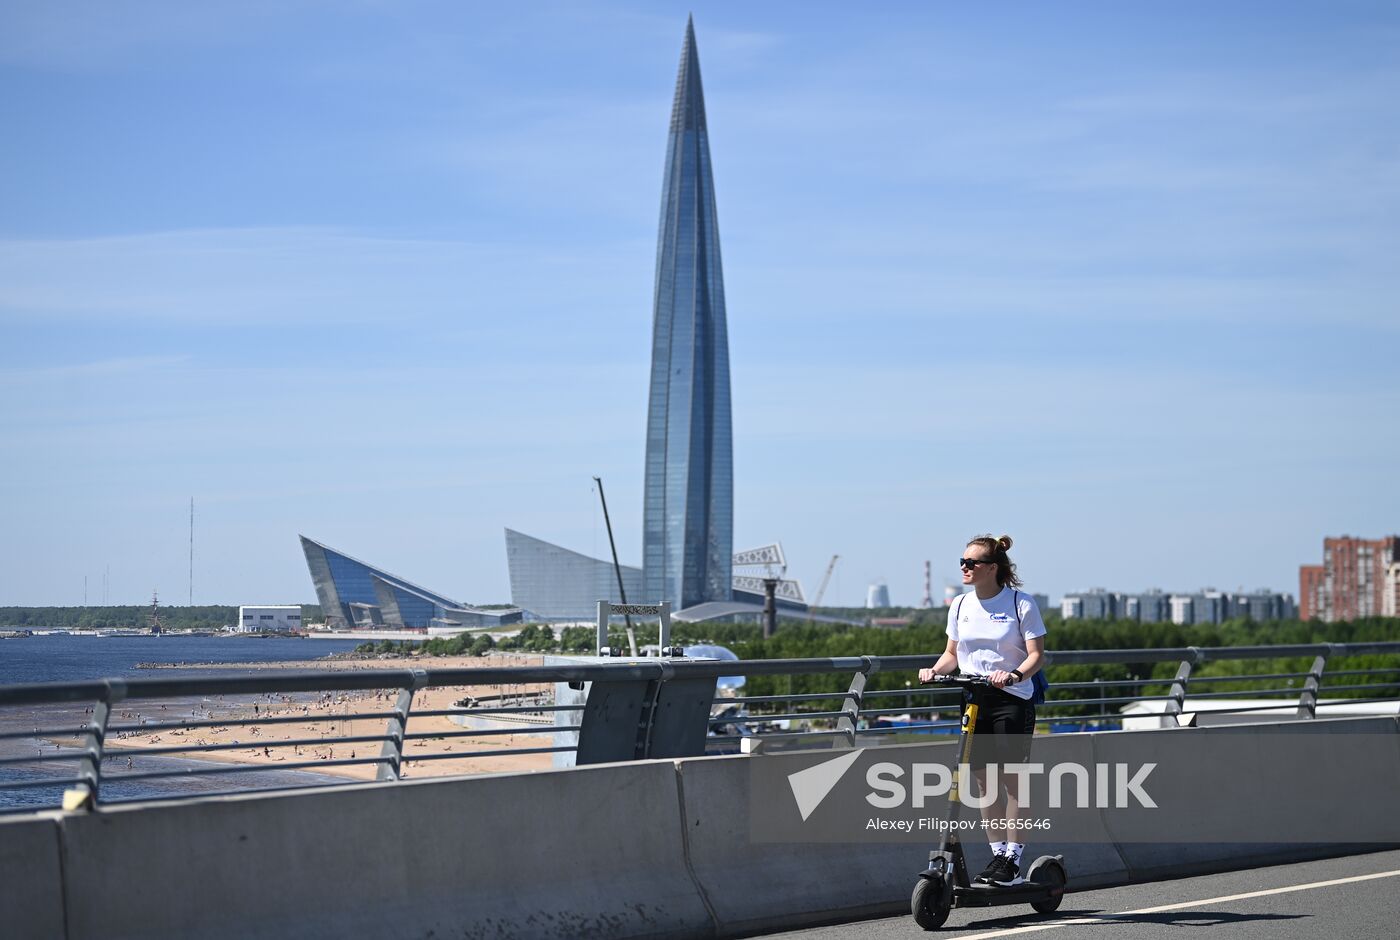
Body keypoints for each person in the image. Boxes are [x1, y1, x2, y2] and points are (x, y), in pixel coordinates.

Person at [918, 534, 1046, 886]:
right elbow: (951, 654)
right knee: (983, 781)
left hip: (1012, 698)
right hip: (975, 698)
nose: (964, 568)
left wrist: (1015, 674)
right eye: (962, 562)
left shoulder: (1021, 604)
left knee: (1012, 781)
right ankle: (997, 857)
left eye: (971, 563)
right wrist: (934, 670)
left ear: (992, 568)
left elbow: (1037, 656)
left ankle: (1014, 859)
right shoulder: (960, 605)